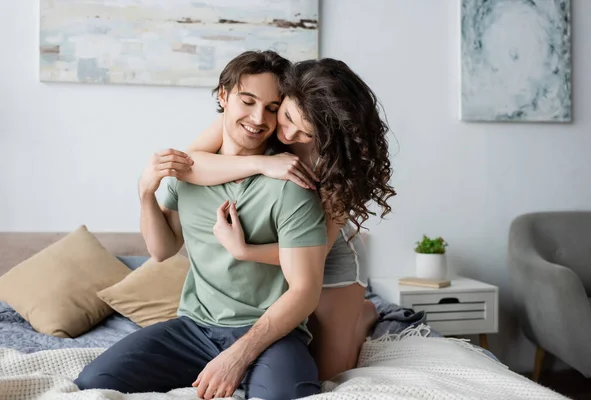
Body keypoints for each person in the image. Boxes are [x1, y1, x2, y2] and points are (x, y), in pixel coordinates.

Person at [74, 50, 328, 400]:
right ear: (223, 96)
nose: (258, 118)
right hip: (194, 329)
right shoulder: (189, 172)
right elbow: (161, 250)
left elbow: (305, 290)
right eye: (248, 101)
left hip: (271, 334)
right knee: (92, 384)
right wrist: (146, 192)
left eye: (272, 108)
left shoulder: (290, 184)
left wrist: (237, 356)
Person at [181, 57, 396, 380]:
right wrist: (261, 165)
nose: (288, 133)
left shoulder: (337, 163)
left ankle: (363, 315)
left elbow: (318, 251)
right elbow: (189, 164)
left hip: (330, 255)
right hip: (291, 252)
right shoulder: (260, 117)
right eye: (288, 116)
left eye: (305, 132)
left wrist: (245, 252)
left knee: (330, 375)